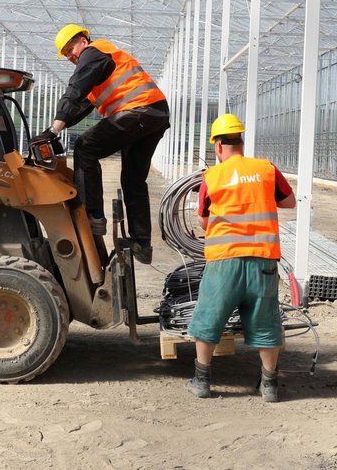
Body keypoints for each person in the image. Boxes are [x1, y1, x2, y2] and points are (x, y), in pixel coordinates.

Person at [185, 114, 297, 403]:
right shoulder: (266, 169)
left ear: (218, 145)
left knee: (210, 317)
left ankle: (201, 381)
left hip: (225, 261)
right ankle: (270, 385)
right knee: (266, 321)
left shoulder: (212, 177)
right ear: (241, 142)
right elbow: (289, 201)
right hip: (263, 261)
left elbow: (204, 222)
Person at [45, 24, 170, 264]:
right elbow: (78, 106)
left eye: (71, 48)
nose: (71, 55)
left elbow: (75, 89)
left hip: (138, 111)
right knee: (133, 179)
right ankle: (142, 243)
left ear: (83, 39)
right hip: (155, 114)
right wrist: (51, 129)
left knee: (85, 147)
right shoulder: (101, 66)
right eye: (66, 54)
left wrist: (55, 129)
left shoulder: (94, 52)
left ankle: (94, 216)